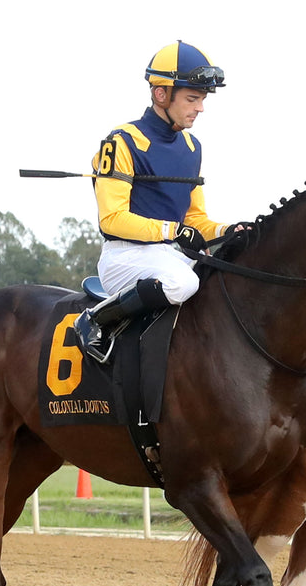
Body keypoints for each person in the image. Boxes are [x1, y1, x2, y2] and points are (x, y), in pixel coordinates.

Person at [76, 40, 247, 363]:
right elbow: (111, 219)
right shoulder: (122, 141)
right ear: (161, 94)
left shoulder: (192, 148)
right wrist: (174, 232)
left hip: (169, 256)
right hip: (124, 257)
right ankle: (96, 319)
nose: (200, 108)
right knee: (183, 284)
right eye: (192, 98)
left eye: (202, 99)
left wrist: (229, 230)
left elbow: (195, 220)